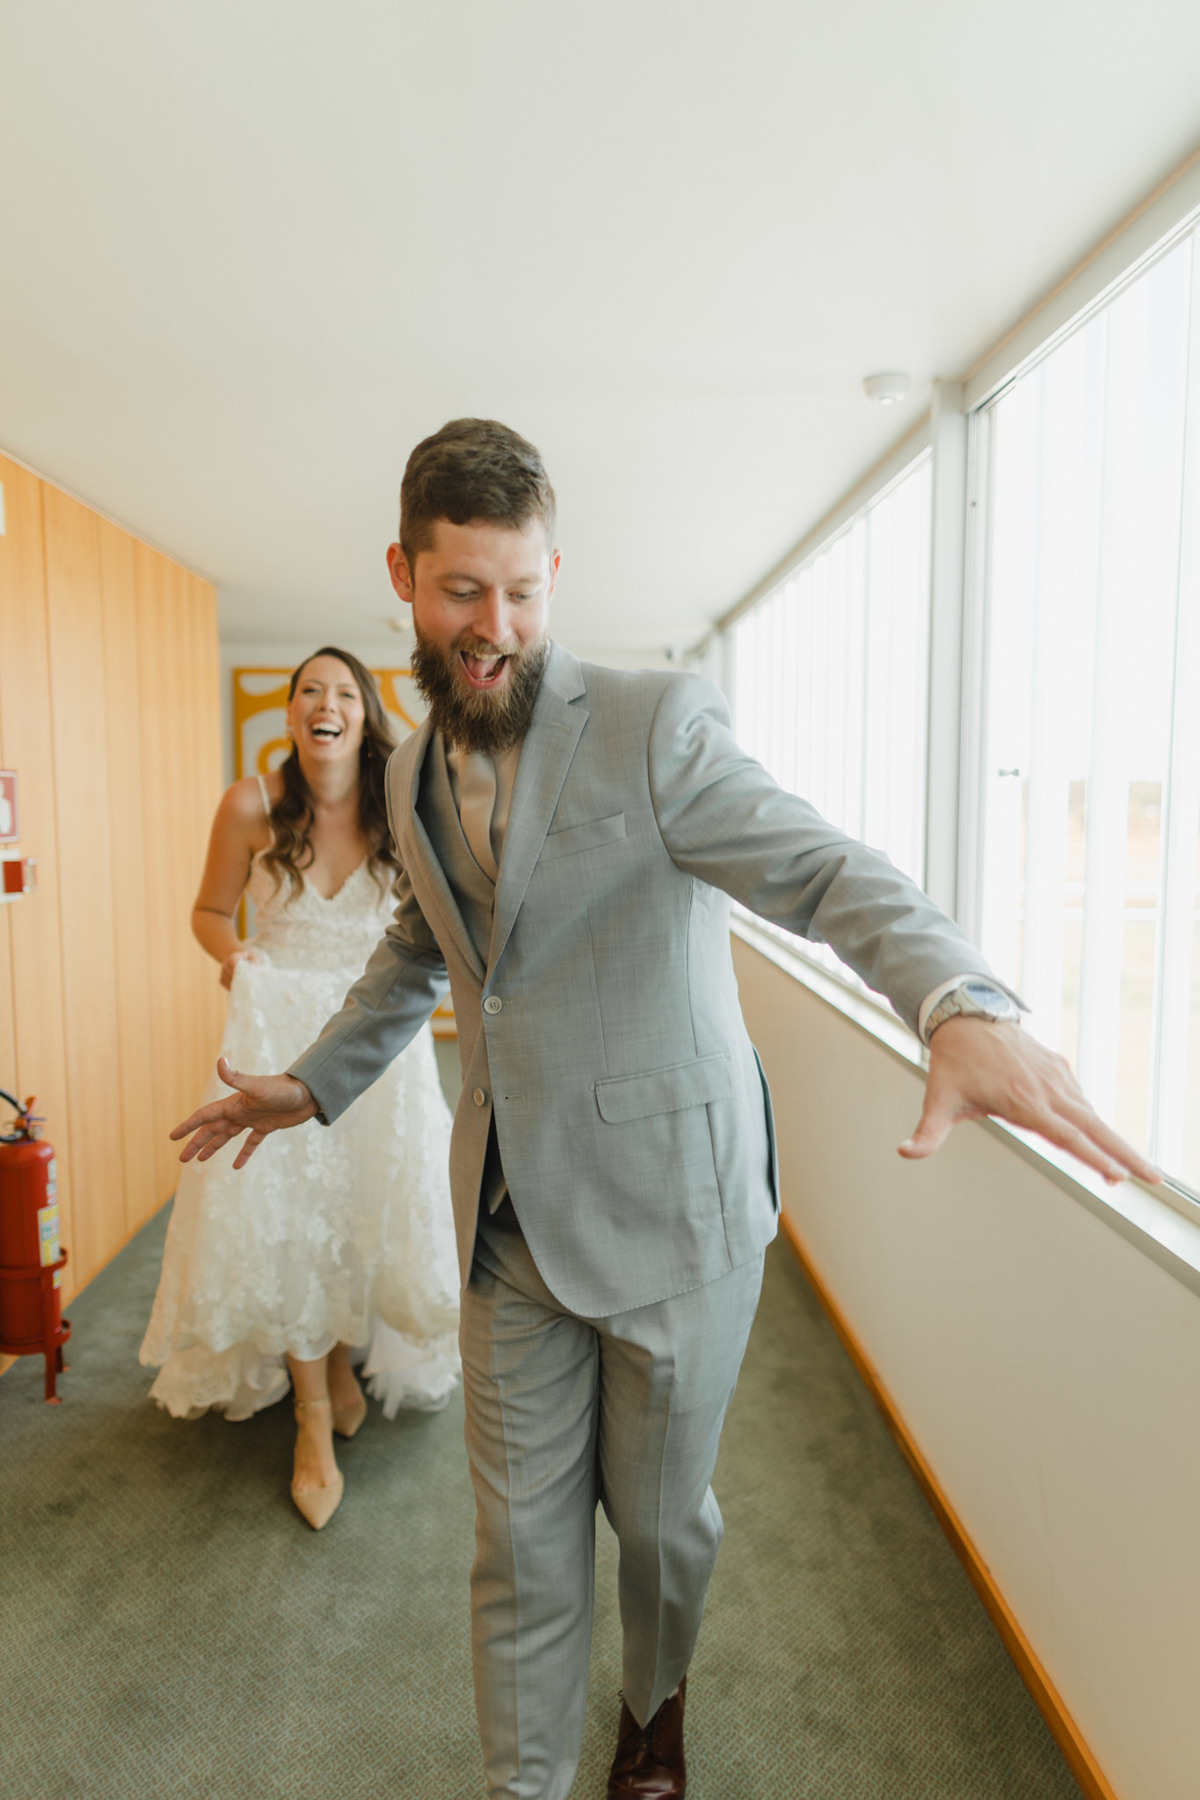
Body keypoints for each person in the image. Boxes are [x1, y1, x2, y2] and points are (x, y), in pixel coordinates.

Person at [171, 422, 1158, 1798]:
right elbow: (422, 951)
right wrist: (311, 1078)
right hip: (509, 1219)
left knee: (656, 1525)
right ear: (402, 574)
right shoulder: (403, 774)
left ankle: (654, 1706)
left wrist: (958, 1002)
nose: (494, 629)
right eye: (462, 592)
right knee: (516, 1546)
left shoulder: (655, 723)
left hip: (677, 1217)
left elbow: (820, 868)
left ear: (555, 573)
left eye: (522, 593)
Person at [141, 647, 459, 1532]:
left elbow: (437, 922)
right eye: (310, 691)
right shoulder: (248, 804)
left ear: (364, 717)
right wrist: (233, 954)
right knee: (283, 1213)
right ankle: (311, 1411)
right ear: (290, 716)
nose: (326, 703)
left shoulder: (400, 805)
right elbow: (208, 913)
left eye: (345, 692)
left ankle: (347, 1348)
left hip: (373, 1045)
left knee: (365, 1203)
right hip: (275, 1032)